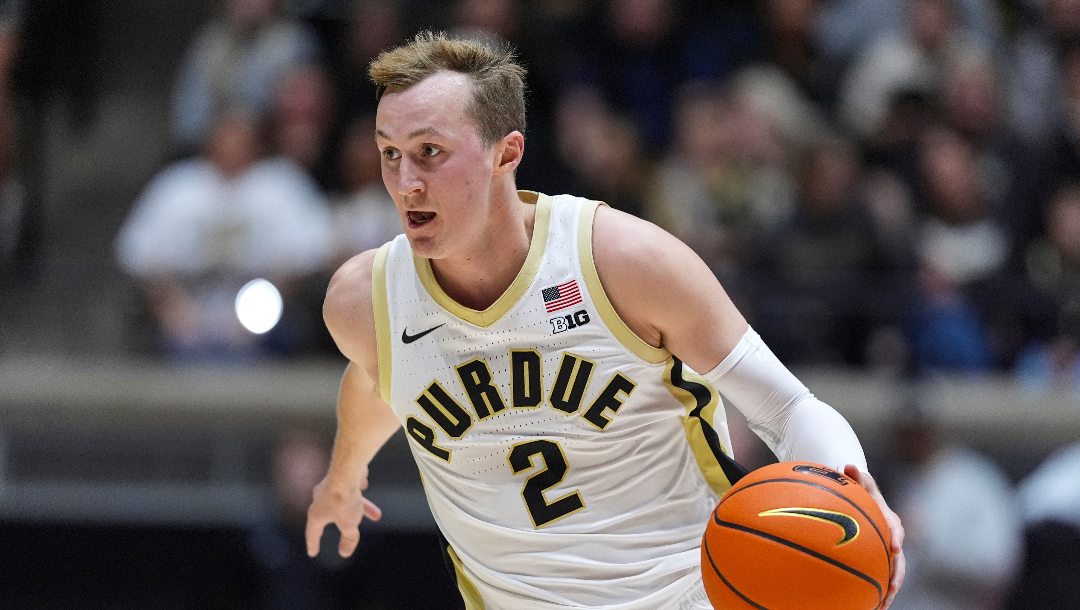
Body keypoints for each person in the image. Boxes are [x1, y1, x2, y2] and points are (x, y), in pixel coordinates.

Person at [305, 31, 905, 610]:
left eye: (429, 152)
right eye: (389, 153)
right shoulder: (365, 303)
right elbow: (377, 379)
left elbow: (785, 408)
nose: (405, 182)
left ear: (506, 153)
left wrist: (855, 491)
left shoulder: (623, 262)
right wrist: (344, 475)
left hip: (689, 592)